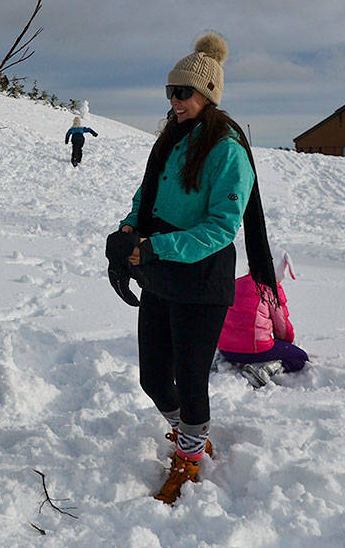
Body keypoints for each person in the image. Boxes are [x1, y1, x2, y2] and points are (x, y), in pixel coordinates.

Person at [104, 32, 278, 505]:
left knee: (192, 376)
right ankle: (192, 435)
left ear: (207, 95)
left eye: (182, 93)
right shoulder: (172, 139)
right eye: (170, 92)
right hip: (162, 273)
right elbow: (147, 198)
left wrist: (156, 248)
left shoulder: (227, 150)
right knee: (153, 377)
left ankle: (189, 456)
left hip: (202, 280)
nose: (174, 101)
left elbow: (222, 227)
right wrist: (126, 235)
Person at [217, 253, 307, 387]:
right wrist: (287, 343)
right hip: (254, 350)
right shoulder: (271, 289)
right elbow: (281, 326)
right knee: (299, 357)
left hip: (226, 349)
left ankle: (219, 360)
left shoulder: (236, 283)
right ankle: (266, 370)